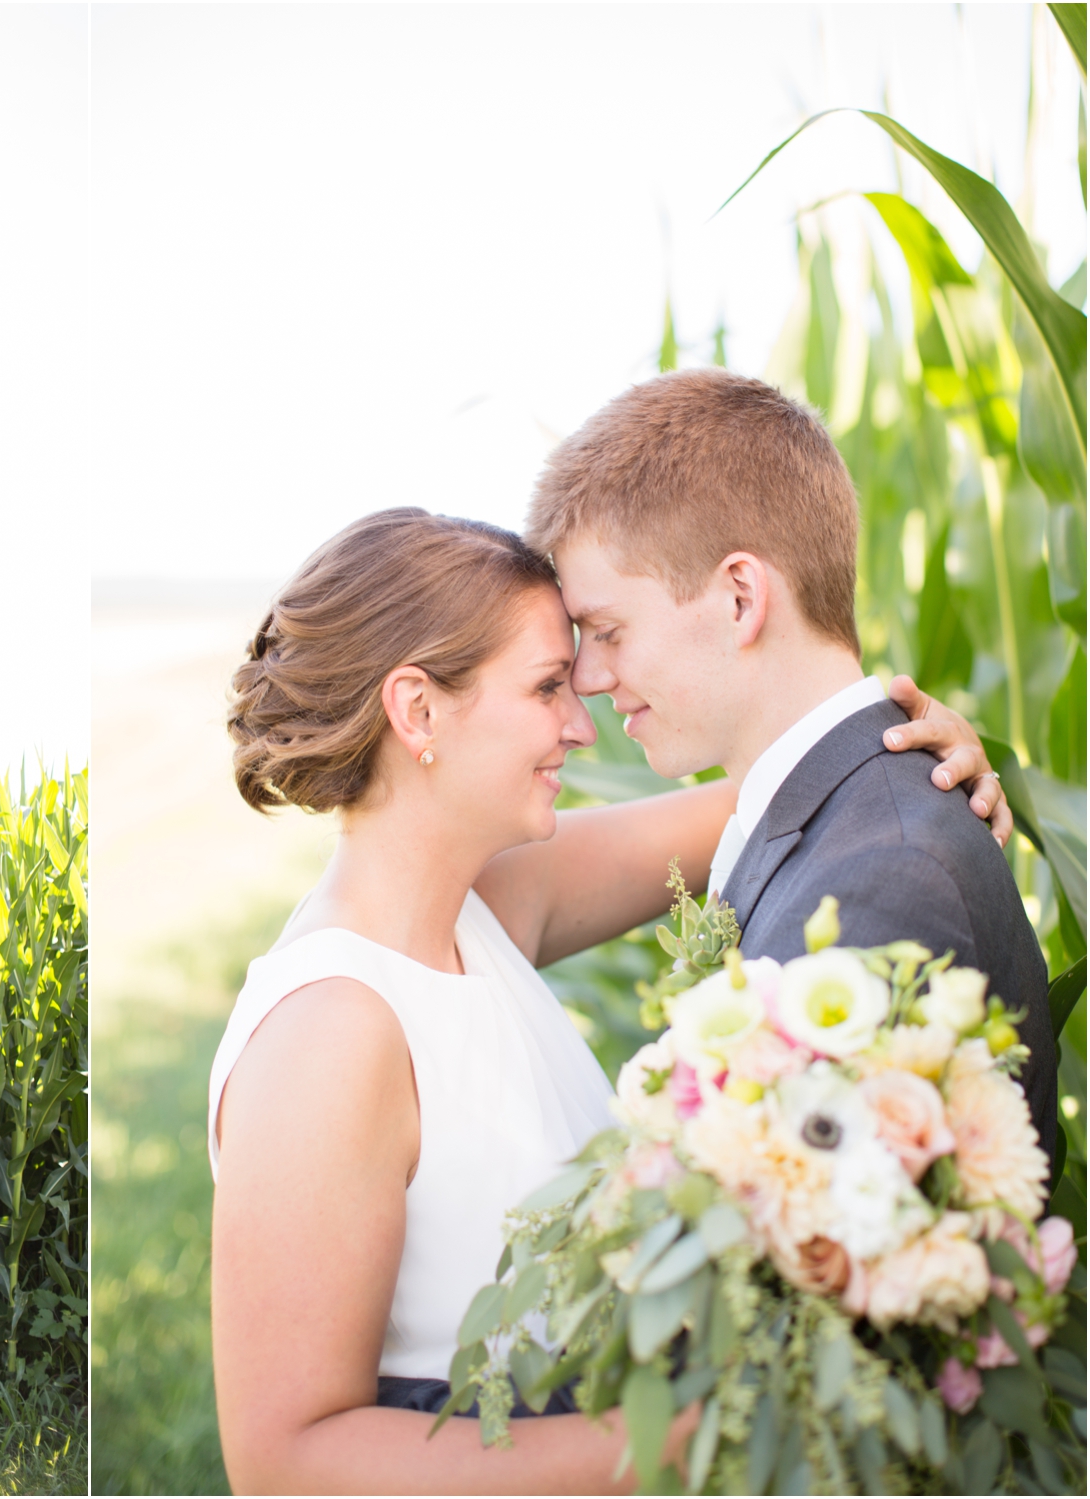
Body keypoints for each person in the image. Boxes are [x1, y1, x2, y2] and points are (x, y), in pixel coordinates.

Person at [208, 509, 1003, 1492]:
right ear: (416, 710)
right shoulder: (327, 1032)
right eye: (546, 686)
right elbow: (284, 1457)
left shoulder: (486, 901)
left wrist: (919, 755)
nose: (580, 721)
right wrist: (686, 1432)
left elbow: (783, 797)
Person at [528, 366, 1055, 1167]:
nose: (588, 679)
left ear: (741, 596)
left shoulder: (889, 876)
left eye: (606, 630)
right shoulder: (834, 814)